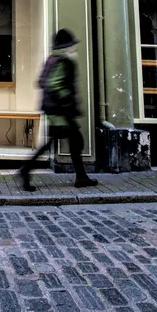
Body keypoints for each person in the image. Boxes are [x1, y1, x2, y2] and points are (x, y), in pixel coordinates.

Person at [18, 28, 97, 191]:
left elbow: (40, 82)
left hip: (53, 110)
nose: (74, 47)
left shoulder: (51, 59)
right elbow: (54, 84)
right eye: (72, 44)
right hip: (61, 111)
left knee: (66, 142)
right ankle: (26, 170)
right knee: (73, 141)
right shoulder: (63, 61)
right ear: (66, 45)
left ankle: (81, 177)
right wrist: (67, 98)